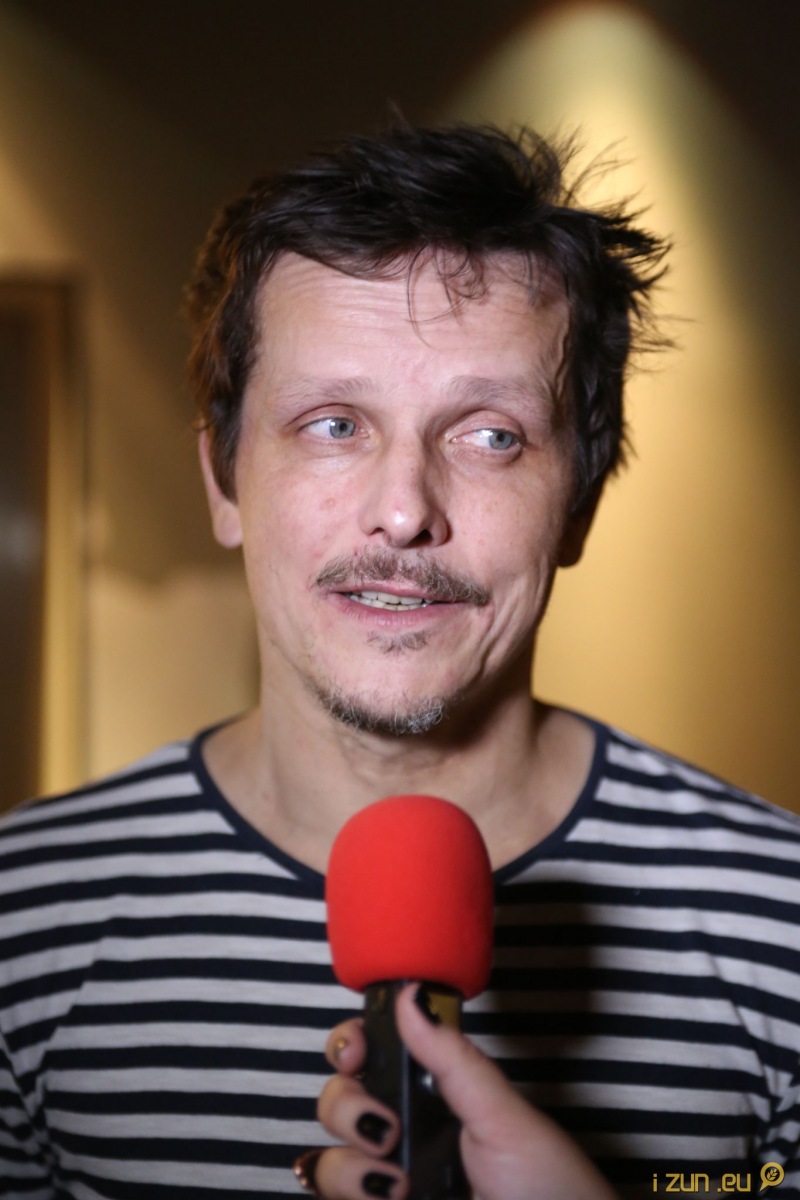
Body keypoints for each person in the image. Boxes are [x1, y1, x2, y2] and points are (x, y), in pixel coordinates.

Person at [1, 122, 798, 1200]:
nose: (403, 510)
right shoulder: (22, 914)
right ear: (223, 483)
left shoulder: (781, 918)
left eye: (490, 435)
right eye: (332, 424)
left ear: (579, 503)